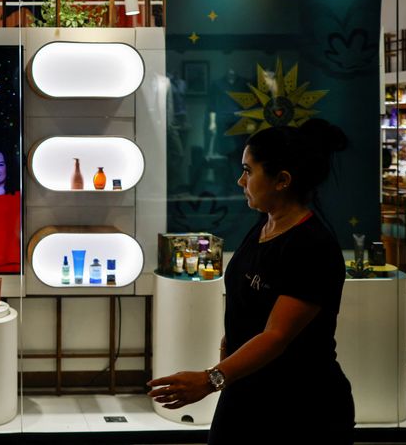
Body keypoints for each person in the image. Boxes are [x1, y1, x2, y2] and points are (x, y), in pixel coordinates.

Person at [148, 118, 354, 445]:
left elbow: (276, 335)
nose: (240, 180)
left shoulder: (311, 246)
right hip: (245, 388)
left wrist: (210, 379)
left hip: (300, 408)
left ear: (282, 180)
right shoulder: (264, 225)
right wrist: (226, 365)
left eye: (248, 170)